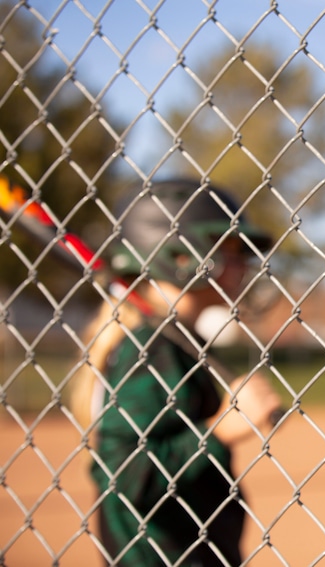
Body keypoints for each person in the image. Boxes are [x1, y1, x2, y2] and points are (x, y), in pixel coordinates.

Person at [70, 179, 283, 566]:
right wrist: (221, 428)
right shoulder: (152, 348)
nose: (244, 265)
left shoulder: (170, 340)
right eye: (230, 250)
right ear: (180, 256)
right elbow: (123, 477)